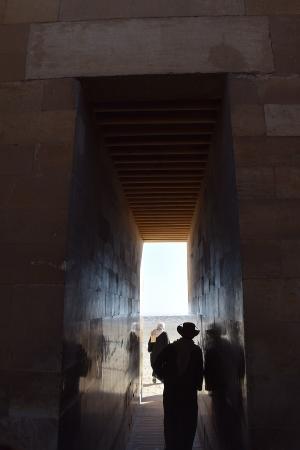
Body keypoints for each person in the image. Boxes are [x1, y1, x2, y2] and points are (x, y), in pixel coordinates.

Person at [153, 322, 203, 450]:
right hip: (189, 392)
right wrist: (197, 385)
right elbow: (199, 373)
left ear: (181, 333)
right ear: (192, 335)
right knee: (189, 422)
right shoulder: (196, 351)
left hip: (171, 391)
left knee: (171, 420)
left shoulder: (171, 348)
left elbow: (156, 364)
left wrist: (165, 377)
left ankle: (171, 446)